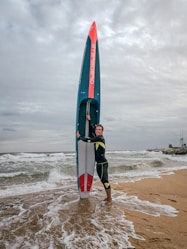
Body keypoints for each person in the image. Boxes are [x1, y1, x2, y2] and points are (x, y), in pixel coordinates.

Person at [76, 115, 112, 206]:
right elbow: (92, 130)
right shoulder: (97, 136)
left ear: (102, 131)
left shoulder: (100, 138)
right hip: (99, 164)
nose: (97, 130)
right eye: (97, 129)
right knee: (103, 181)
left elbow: (89, 140)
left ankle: (110, 199)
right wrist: (89, 120)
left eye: (99, 129)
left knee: (105, 181)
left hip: (102, 163)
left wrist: (80, 137)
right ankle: (108, 197)